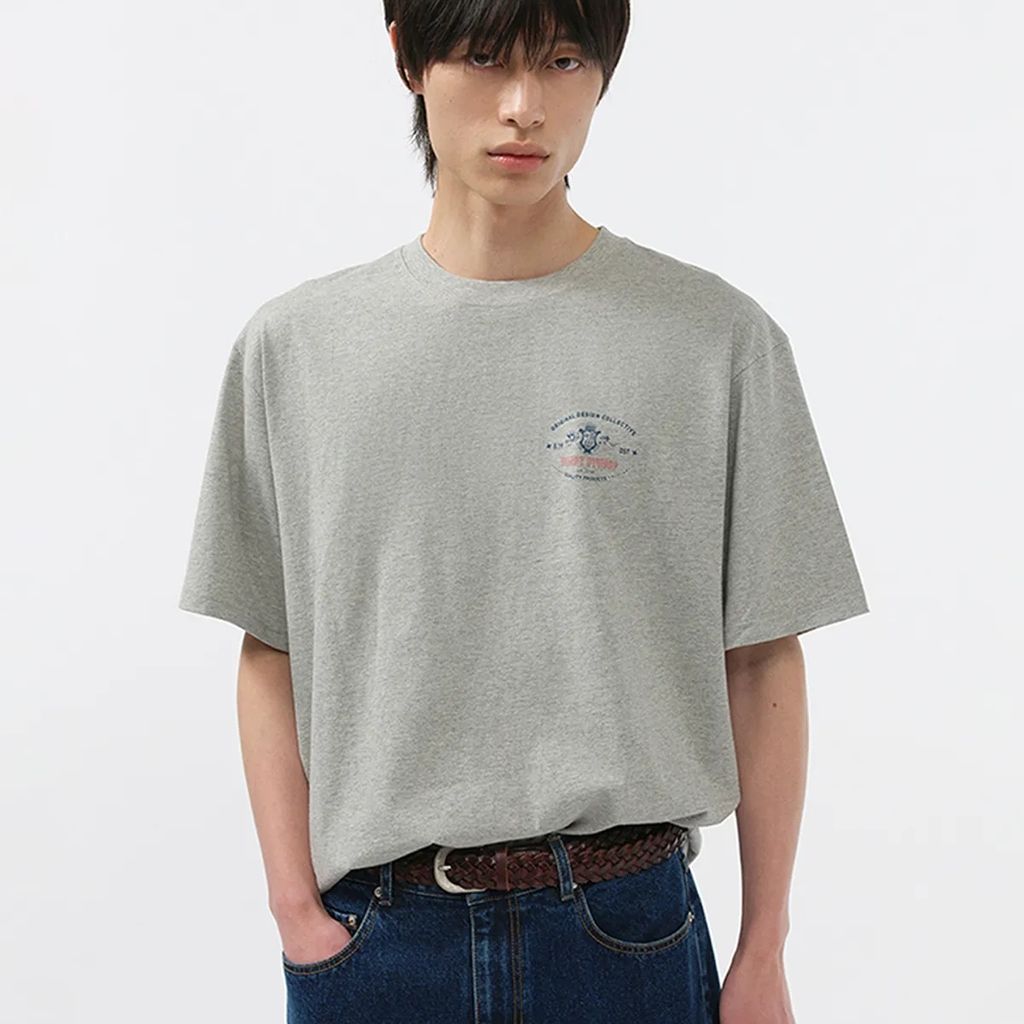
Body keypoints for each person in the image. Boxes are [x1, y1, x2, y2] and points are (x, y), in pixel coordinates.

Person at [177, 2, 870, 1021]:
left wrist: (763, 948)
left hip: (625, 937)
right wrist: (296, 911)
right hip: (377, 943)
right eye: (483, 57)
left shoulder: (714, 340)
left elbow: (763, 656)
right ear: (408, 58)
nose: (522, 106)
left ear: (604, 73)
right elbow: (269, 646)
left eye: (562, 61)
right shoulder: (297, 349)